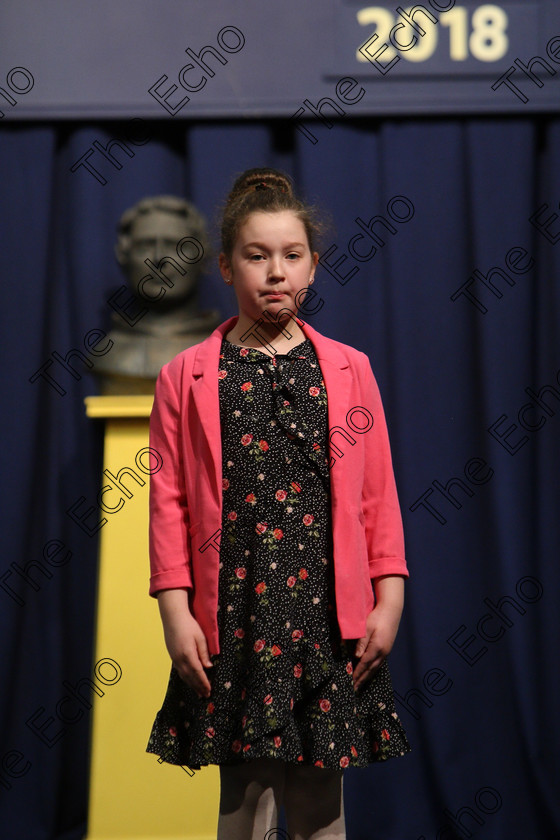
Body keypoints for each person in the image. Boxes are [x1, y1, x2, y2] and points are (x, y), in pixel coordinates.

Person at [146, 168, 411, 840]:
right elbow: (169, 503)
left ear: (315, 266)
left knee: (321, 794)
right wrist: (176, 614)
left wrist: (390, 597)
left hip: (325, 610)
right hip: (235, 609)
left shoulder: (349, 369)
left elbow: (378, 495)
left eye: (291, 256)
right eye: (256, 256)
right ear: (226, 265)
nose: (275, 273)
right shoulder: (186, 375)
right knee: (245, 796)